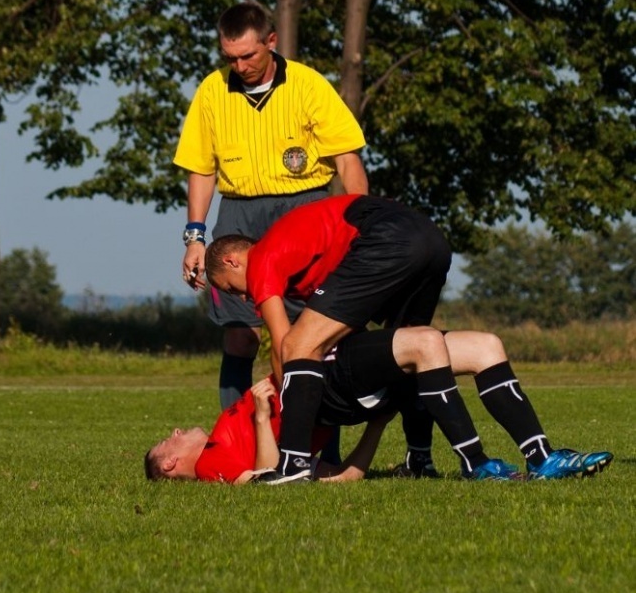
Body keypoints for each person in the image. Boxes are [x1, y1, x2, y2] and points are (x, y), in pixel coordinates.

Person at [205, 193, 614, 484]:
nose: (243, 297)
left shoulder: (263, 258)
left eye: (233, 287)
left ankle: (292, 467)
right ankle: (535, 457)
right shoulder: (304, 253)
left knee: (298, 347)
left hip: (387, 238)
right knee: (453, 347)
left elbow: (284, 346)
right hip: (429, 239)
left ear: (232, 260)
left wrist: (288, 405)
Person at [173, 1, 369, 415]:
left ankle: (319, 442)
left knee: (312, 333)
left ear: (271, 42)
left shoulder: (308, 84)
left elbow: (348, 160)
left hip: (304, 209)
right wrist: (195, 237)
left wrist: (360, 224)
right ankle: (237, 433)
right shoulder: (212, 90)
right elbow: (200, 169)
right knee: (240, 335)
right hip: (239, 213)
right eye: (231, 57)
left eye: (248, 55)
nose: (240, 66)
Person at [144, 327, 613, 483]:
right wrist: (266, 418)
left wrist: (376, 428)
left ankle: (541, 458)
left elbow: (343, 476)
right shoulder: (210, 466)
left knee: (486, 345)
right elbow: (271, 478)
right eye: (168, 441)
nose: (174, 432)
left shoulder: (217, 436)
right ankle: (475, 465)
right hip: (328, 388)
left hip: (329, 369)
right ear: (169, 462)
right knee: (423, 345)